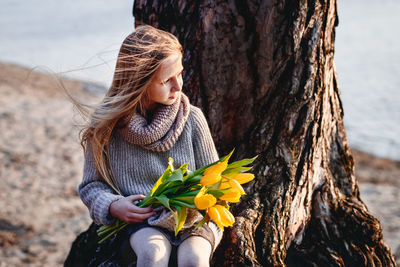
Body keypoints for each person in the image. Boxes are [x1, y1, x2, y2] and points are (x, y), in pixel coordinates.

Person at [78, 25, 222, 267]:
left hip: (194, 218)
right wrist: (113, 206)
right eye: (167, 80)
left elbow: (216, 179)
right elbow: (91, 186)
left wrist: (196, 200)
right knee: (153, 255)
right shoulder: (107, 129)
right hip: (143, 222)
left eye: (181, 74)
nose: (178, 86)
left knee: (194, 259)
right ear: (139, 81)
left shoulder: (192, 119)